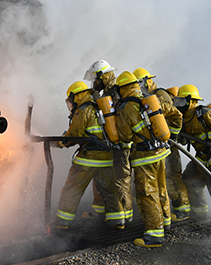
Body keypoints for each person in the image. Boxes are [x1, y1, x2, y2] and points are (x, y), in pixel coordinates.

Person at [52, 80, 125, 232]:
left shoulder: (83, 110)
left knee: (72, 189)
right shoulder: (100, 106)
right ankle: (118, 220)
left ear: (76, 96)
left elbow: (74, 136)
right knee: (110, 190)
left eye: (71, 99)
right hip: (106, 157)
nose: (71, 103)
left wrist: (58, 143)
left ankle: (62, 222)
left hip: (89, 158)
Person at [115, 71, 171, 248]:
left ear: (122, 88)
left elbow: (124, 136)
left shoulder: (125, 107)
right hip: (160, 152)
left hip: (144, 157)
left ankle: (155, 235)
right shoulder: (147, 98)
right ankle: (166, 222)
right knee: (161, 188)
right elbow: (174, 113)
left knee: (147, 194)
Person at [133, 68, 189, 221]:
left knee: (173, 177)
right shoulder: (150, 96)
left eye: (139, 83)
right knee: (165, 180)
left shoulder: (160, 94)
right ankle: (171, 212)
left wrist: (173, 136)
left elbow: (171, 115)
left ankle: (183, 209)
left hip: (168, 142)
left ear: (146, 81)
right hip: (162, 143)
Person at [84, 60, 133, 223]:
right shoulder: (108, 92)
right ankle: (104, 213)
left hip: (120, 143)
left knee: (121, 179)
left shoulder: (116, 91)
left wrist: (119, 140)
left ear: (102, 77)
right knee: (104, 178)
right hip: (111, 142)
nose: (94, 83)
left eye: (96, 79)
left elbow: (120, 118)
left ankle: (125, 216)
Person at [174, 84, 211, 221]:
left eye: (182, 101)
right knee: (189, 180)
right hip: (201, 158)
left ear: (192, 101)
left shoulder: (205, 114)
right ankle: (200, 216)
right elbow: (183, 141)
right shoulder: (184, 119)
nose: (179, 104)